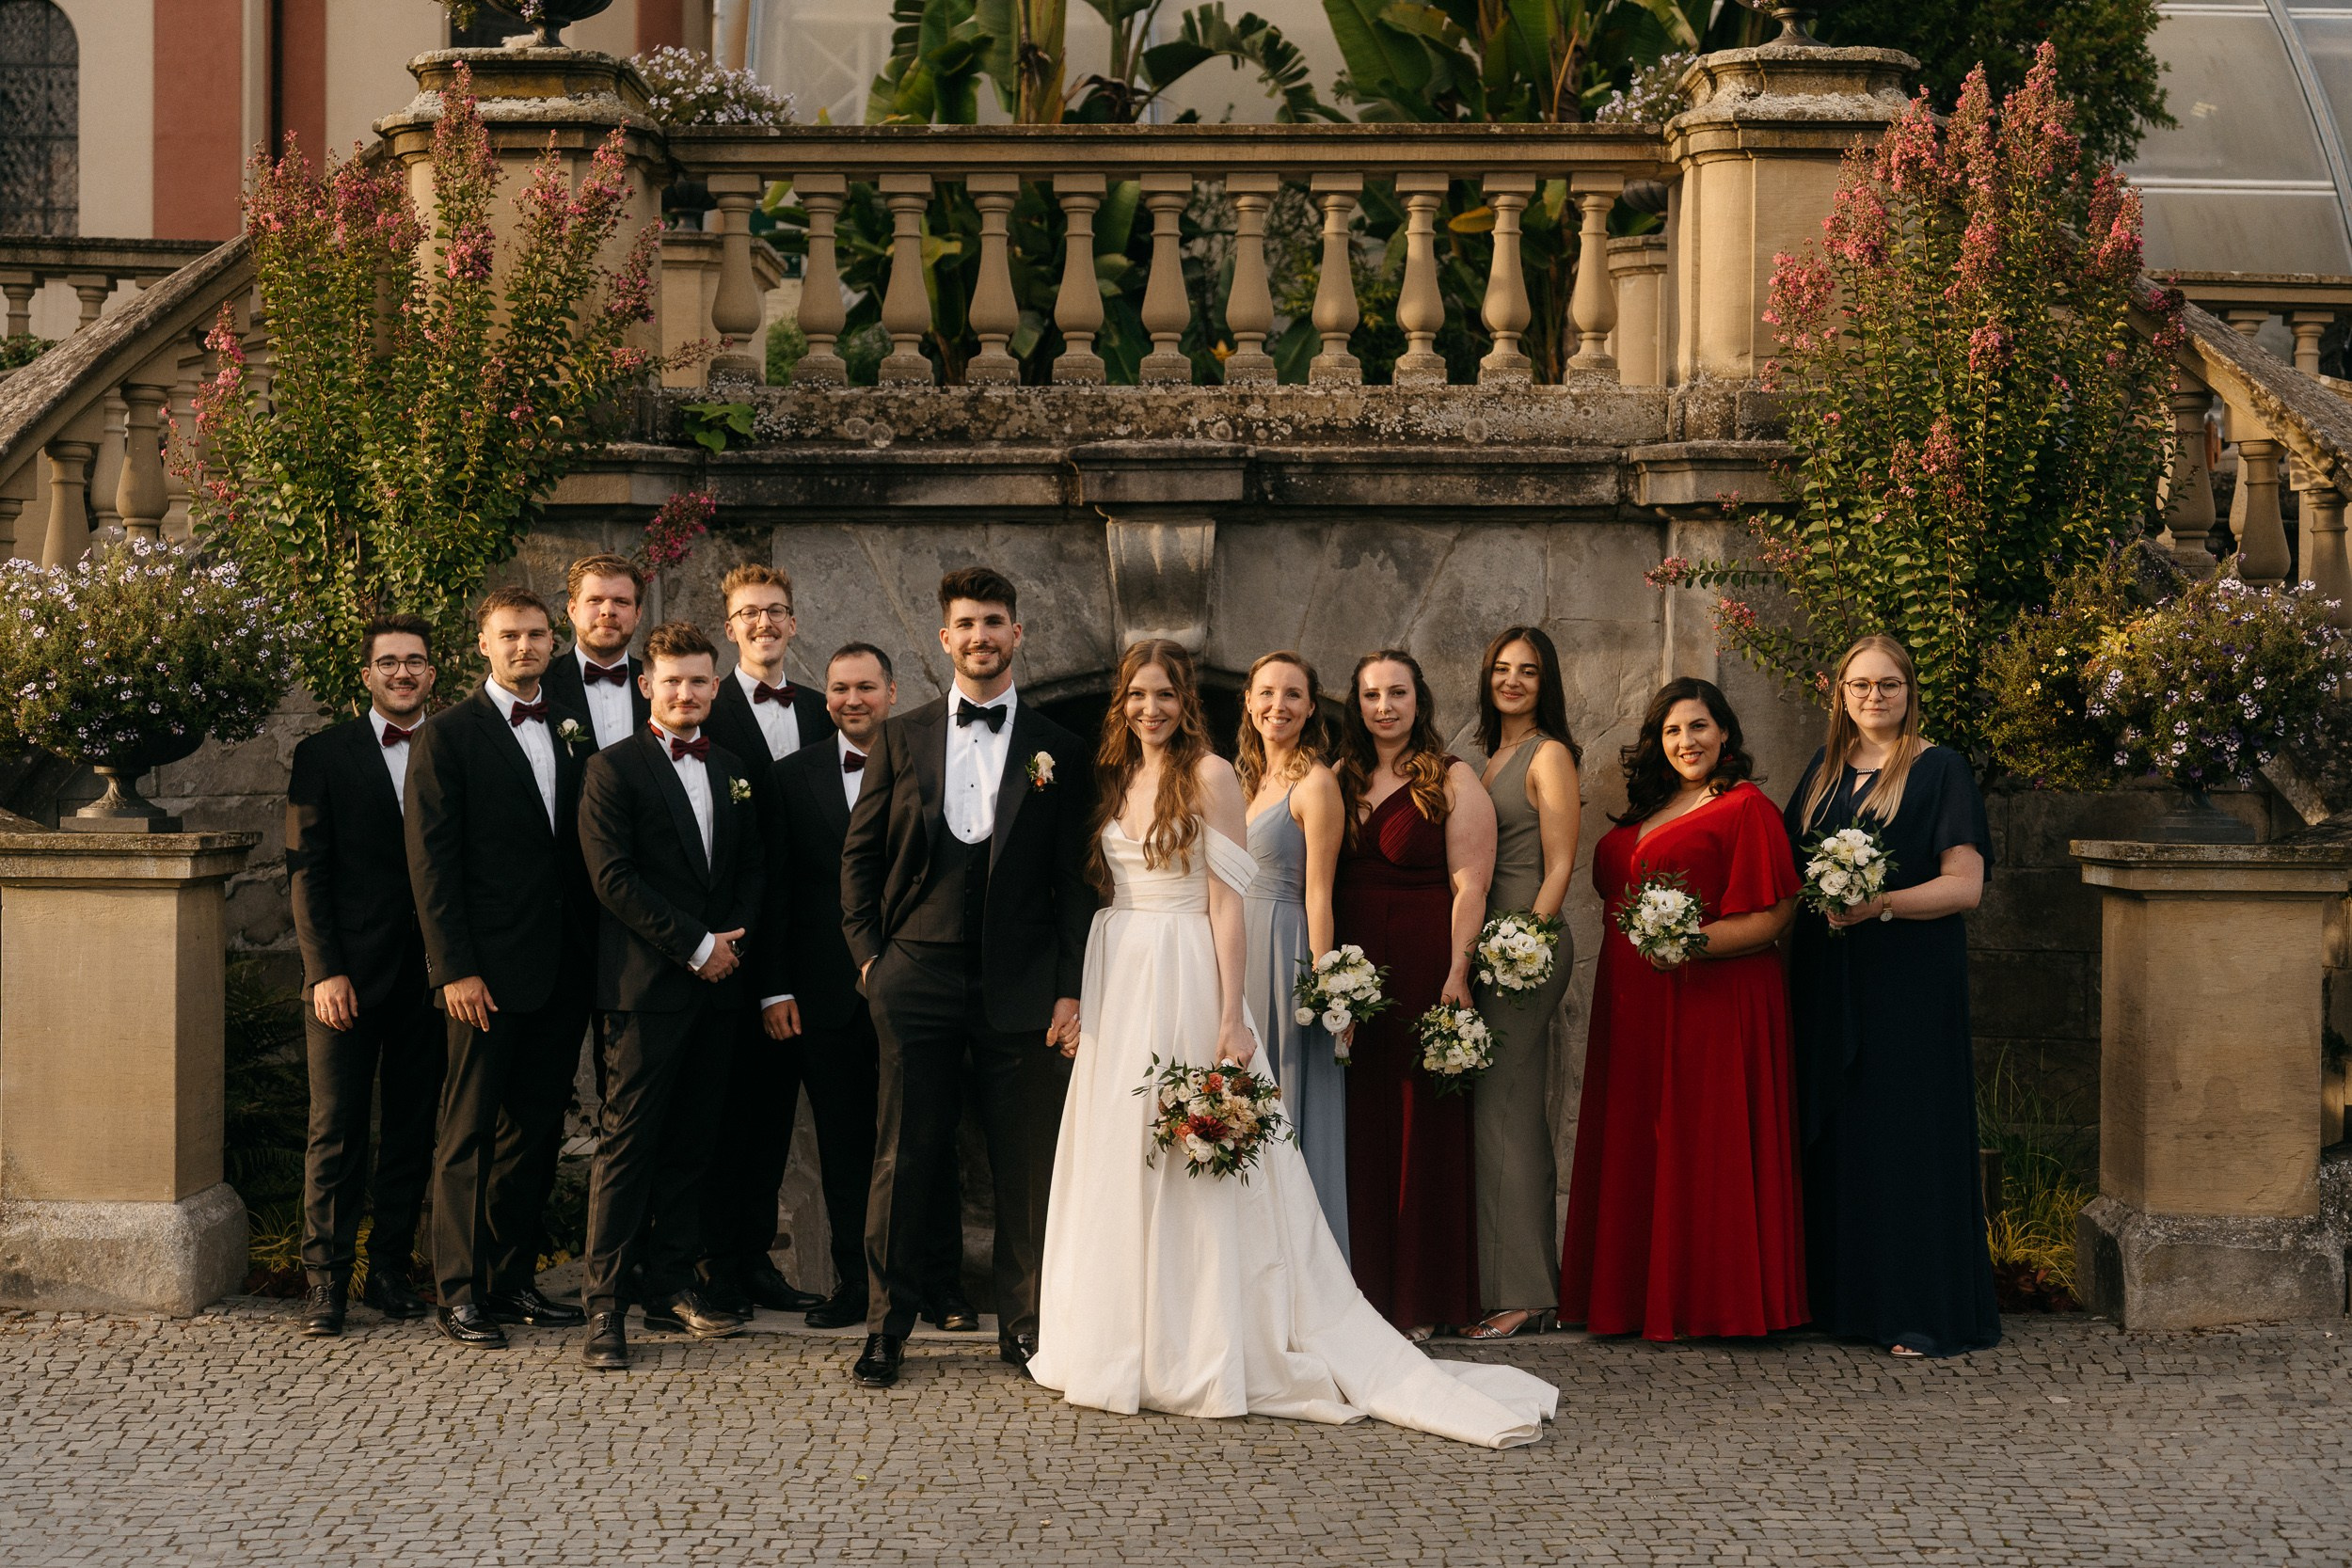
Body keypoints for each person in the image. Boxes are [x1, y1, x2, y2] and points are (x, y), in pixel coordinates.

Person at [1027, 639, 1558, 1449]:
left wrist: (1232, 1015)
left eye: (1165, 694)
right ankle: (1119, 1330)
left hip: (1185, 970)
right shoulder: (1119, 775)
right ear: (1121, 704)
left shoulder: (1209, 774)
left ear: (1187, 702)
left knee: (1196, 1151)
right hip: (1121, 975)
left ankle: (1203, 1336)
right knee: (1123, 1149)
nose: (1150, 708)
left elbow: (1227, 903)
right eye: (1137, 694)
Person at [839, 566, 1096, 1389]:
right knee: (902, 1155)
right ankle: (886, 1328)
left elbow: (1076, 881)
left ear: (1018, 633)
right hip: (914, 975)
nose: (981, 636)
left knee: (1026, 1163)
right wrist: (872, 961)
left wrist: (1070, 985)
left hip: (1022, 986)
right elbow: (859, 857)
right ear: (944, 638)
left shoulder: (1060, 746)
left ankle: (1025, 1327)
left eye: (994, 622)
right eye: (967, 624)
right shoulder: (900, 736)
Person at [1559, 677, 1806, 1341]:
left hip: (1713, 1001)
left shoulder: (1747, 807)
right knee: (1642, 1142)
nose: (1686, 741)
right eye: (1672, 730)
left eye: (1698, 726)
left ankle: (1714, 1302)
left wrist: (1689, 944)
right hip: (1634, 1004)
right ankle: (1633, 1298)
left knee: (1707, 1145)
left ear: (1724, 732)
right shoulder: (1652, 805)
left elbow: (1776, 914)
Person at [1785, 634, 1999, 1359]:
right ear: (1839, 693)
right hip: (1828, 974)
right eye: (1860, 685)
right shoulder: (1821, 772)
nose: (1873, 697)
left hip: (1908, 980)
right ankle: (1841, 1302)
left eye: (1888, 685)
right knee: (1841, 1132)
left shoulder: (1941, 769)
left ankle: (1918, 1313)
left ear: (1910, 692)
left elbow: (1965, 886)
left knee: (1904, 1135)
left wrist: (1880, 903)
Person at [754, 642, 968, 1332]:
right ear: (827, 698)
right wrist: (775, 988)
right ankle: (857, 1285)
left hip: (918, 983)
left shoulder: (937, 763)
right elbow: (777, 891)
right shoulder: (791, 777)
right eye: (840, 689)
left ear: (892, 692)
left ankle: (942, 1285)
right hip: (825, 994)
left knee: (929, 1135)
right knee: (845, 1147)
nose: (853, 700)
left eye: (866, 687)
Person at [405, 586, 596, 1346]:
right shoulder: (448, 735)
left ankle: (511, 1278)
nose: (525, 646)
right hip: (481, 976)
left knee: (536, 1133)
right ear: (482, 643)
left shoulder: (574, 728)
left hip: (561, 969)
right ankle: (457, 1291)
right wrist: (453, 968)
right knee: (466, 1133)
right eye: (510, 635)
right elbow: (431, 864)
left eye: (537, 634)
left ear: (553, 641)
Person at [575, 622, 766, 1370]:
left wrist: (731, 944)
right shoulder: (612, 769)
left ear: (715, 687)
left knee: (694, 1142)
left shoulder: (734, 769)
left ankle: (671, 1284)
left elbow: (751, 866)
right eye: (672, 680)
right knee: (628, 1145)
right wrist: (696, 945)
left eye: (698, 680)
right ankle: (605, 1305)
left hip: (718, 989)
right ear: (647, 685)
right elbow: (612, 879)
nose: (686, 692)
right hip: (646, 990)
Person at [284, 614, 446, 1337]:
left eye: (414, 661)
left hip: (434, 978)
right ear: (367, 675)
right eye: (388, 662)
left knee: (413, 1126)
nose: (402, 672)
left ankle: (388, 1270)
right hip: (346, 977)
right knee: (337, 1128)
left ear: (432, 674)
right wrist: (325, 971)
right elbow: (305, 871)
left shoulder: (456, 747)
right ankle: (325, 1280)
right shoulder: (322, 754)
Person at [1333, 649, 1496, 1339]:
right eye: (1372, 695)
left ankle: (1421, 1298)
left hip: (1425, 960)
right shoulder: (1339, 776)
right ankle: (1359, 1292)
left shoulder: (1451, 777)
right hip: (1349, 971)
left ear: (1418, 700)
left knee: (1419, 1122)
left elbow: (1471, 884)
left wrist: (1458, 973)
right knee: (1355, 1124)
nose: (1385, 707)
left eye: (1397, 693)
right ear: (1357, 704)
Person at [700, 561, 837, 1318]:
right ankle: (714, 1267)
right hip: (730, 949)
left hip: (806, 947)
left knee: (773, 1119)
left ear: (793, 622)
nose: (764, 622)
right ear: (730, 627)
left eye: (776, 610)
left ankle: (755, 1259)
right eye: (749, 612)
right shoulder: (705, 708)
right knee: (724, 1116)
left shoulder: (822, 709)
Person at [1461, 628, 1582, 1342]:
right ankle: (1499, 1282)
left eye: (1528, 671)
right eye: (1502, 669)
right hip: (1491, 950)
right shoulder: (1490, 759)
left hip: (1526, 949)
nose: (1512, 680)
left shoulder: (1548, 754)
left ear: (1546, 683)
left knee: (1506, 1111)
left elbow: (1561, 862)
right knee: (1493, 1113)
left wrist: (1525, 946)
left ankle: (1527, 1294)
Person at [1233, 649, 1350, 1256]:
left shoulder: (1316, 783)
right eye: (1267, 693)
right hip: (1232, 950)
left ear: (1309, 709)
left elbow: (1320, 894)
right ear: (1249, 702)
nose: (1278, 705)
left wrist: (1324, 989)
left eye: (1293, 695)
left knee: (1279, 1097)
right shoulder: (1239, 781)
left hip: (1283, 950)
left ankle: (1294, 1263)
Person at [542, 554, 651, 751]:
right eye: (595, 600)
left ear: (637, 614)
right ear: (572, 610)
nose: (607, 610)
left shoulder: (660, 684)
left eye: (621, 601)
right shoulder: (540, 685)